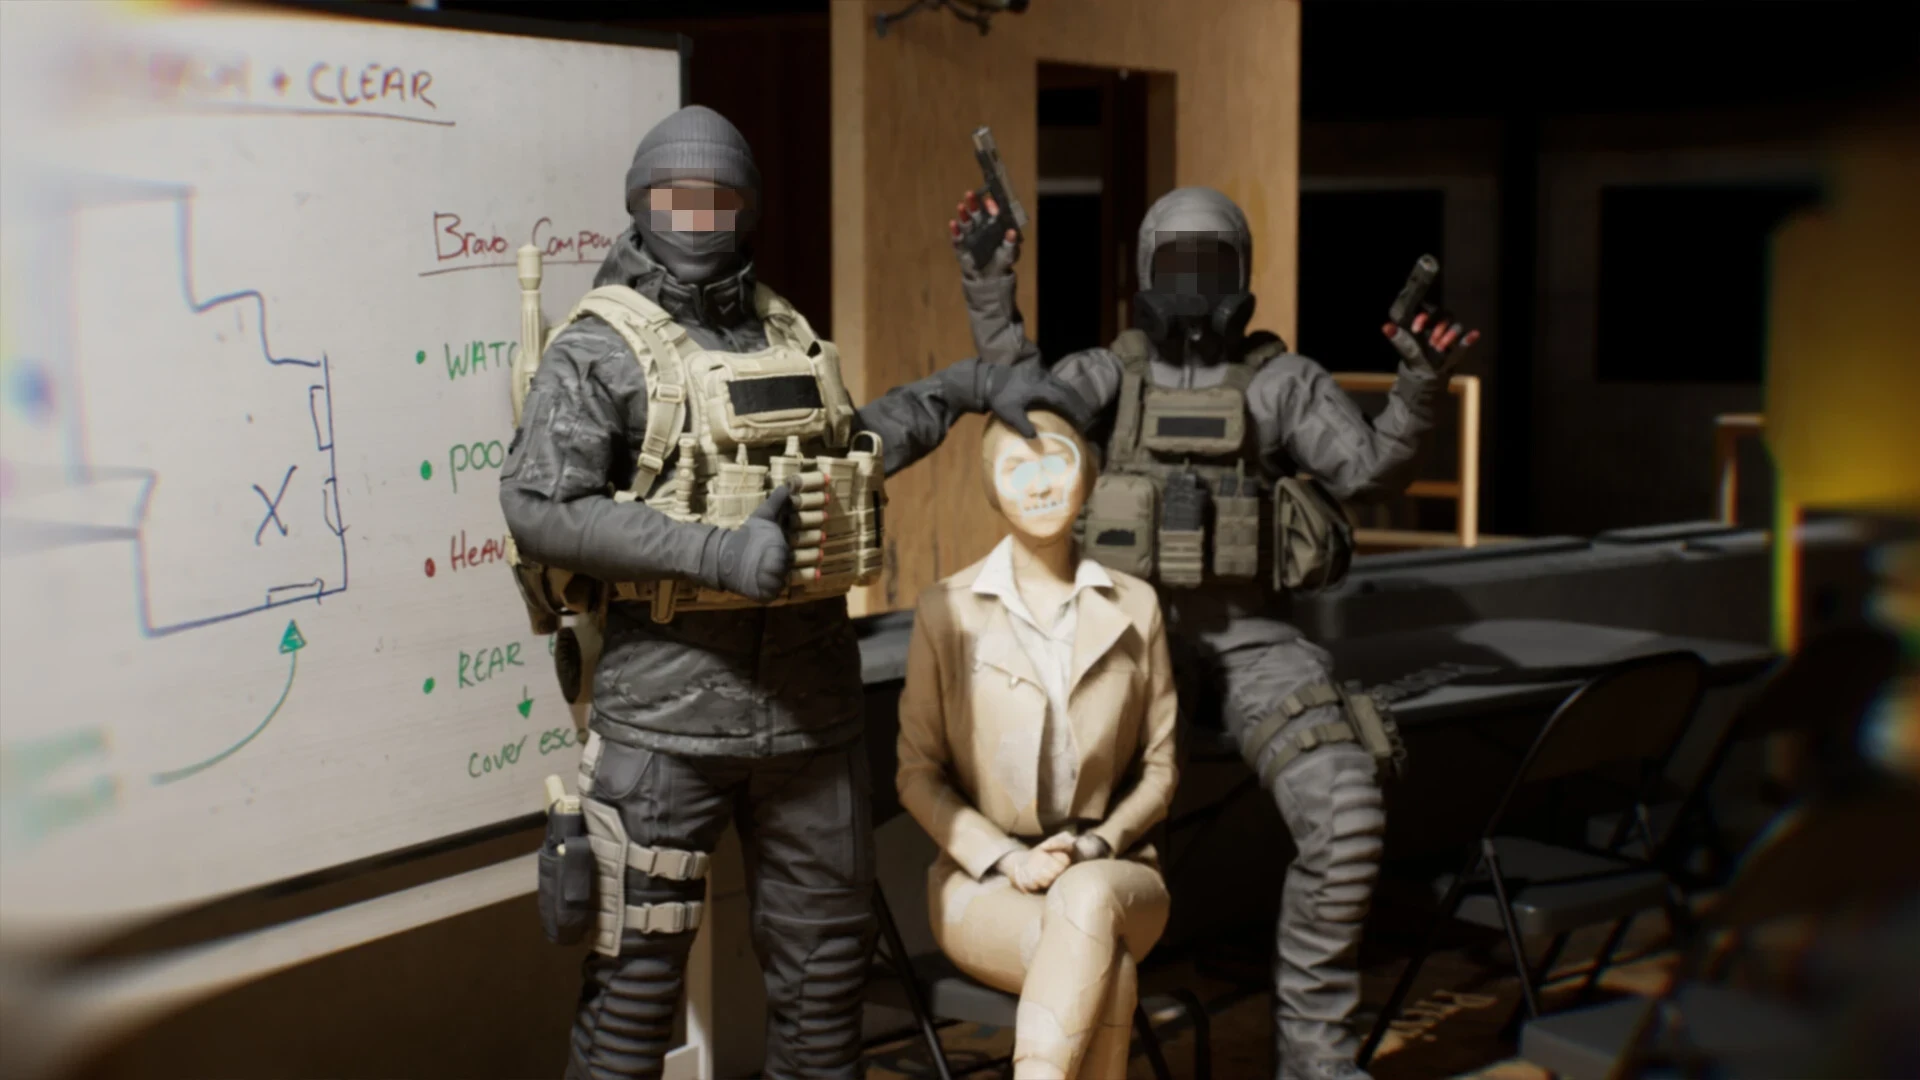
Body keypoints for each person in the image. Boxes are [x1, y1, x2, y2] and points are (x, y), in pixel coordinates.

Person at [499, 105, 1093, 1080]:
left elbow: (847, 452)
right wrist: (718, 555)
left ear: (748, 208)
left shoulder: (785, 331)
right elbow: (540, 509)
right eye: (674, 199)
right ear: (640, 205)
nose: (697, 219)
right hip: (664, 728)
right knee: (632, 1004)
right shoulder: (599, 347)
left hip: (810, 721)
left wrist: (961, 387)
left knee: (823, 1003)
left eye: (718, 199)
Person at [948, 185, 1479, 1080]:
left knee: (1347, 817)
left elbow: (1369, 470)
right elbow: (1024, 412)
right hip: (1118, 643)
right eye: (1177, 262)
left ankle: (1315, 1058)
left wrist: (1421, 382)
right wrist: (989, 288)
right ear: (1145, 271)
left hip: (1253, 645)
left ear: (1242, 272)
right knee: (1053, 826)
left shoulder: (1280, 382)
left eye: (1212, 263)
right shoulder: (1109, 375)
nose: (1193, 284)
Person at [896, 408, 1179, 1080]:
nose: (1042, 484)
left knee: (1085, 899)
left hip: (1117, 869)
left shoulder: (1136, 604)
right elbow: (915, 774)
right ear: (991, 489)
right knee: (1105, 969)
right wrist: (1008, 859)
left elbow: (1161, 769)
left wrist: (1092, 846)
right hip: (983, 884)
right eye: (1018, 469)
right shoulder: (945, 609)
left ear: (1087, 475)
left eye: (1057, 462)